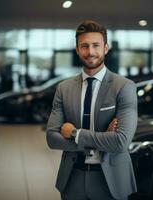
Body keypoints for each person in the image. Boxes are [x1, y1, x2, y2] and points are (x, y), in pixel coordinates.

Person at [46, 20, 138, 200]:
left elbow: (120, 142)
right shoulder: (64, 88)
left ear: (106, 48)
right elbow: (52, 138)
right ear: (77, 49)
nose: (90, 52)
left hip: (111, 180)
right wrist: (103, 139)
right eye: (84, 46)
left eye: (96, 45)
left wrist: (74, 133)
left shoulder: (124, 87)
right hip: (72, 178)